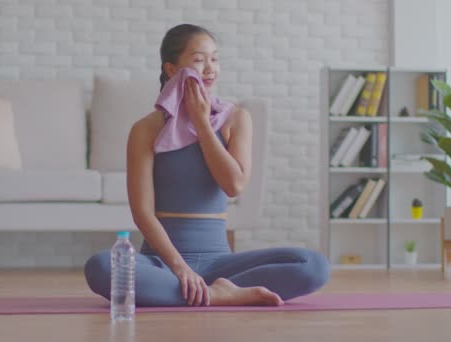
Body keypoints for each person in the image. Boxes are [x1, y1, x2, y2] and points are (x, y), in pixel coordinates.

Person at [84, 24, 330, 307]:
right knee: (101, 267)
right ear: (172, 69)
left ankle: (202, 293)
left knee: (313, 266)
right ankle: (217, 295)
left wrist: (202, 123)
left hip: (221, 265)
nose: (210, 68)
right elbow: (142, 213)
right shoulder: (145, 129)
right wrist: (180, 268)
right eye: (199, 60)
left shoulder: (236, 119)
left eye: (215, 59)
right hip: (162, 264)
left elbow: (234, 185)